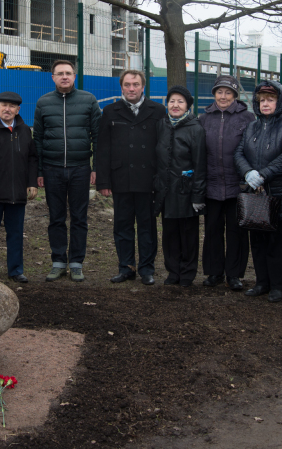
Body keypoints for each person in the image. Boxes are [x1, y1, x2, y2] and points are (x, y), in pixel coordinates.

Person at [96, 69, 166, 286]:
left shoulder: (158, 110)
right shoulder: (110, 111)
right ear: (121, 87)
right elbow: (102, 148)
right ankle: (126, 267)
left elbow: (163, 147)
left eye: (135, 84)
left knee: (147, 226)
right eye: (127, 85)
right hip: (121, 178)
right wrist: (103, 181)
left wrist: (160, 179)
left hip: (148, 179)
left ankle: (147, 269)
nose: (131, 88)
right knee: (122, 226)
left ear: (143, 86)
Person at [34, 60, 101, 282]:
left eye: (68, 73)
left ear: (75, 76)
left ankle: (76, 263)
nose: (64, 76)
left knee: (80, 217)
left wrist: (95, 168)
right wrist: (40, 170)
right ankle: (58, 261)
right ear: (52, 77)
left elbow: (97, 136)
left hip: (81, 168)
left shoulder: (89, 100)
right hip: (52, 170)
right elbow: (38, 139)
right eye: (60, 73)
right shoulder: (43, 103)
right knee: (56, 217)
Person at [234, 80, 282, 303]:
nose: (266, 104)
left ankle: (277, 286)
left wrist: (264, 174)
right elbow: (239, 152)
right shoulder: (252, 125)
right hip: (255, 192)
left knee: (276, 242)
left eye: (271, 100)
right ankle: (262, 282)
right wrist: (248, 172)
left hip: (278, 192)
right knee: (257, 239)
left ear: (279, 102)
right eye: (262, 101)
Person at [198, 75, 254, 290]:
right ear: (214, 94)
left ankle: (234, 274)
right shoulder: (203, 119)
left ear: (235, 96)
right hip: (211, 185)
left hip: (237, 186)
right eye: (219, 92)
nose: (223, 96)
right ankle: (214, 272)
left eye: (228, 92)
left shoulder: (247, 118)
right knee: (212, 230)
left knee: (237, 231)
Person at [0, 91, 38, 282]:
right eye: (3, 105)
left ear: (18, 110)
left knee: (16, 233)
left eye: (11, 107)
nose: (7, 109)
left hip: (16, 193)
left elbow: (32, 158)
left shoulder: (25, 131)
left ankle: (16, 270)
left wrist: (32, 182)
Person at [154, 86, 207, 287]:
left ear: (187, 106)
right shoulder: (162, 125)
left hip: (186, 192)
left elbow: (200, 165)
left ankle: (187, 273)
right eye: (172, 101)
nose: (175, 105)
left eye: (180, 102)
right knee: (169, 235)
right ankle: (172, 271)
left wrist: (198, 196)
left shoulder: (196, 129)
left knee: (188, 235)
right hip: (165, 191)